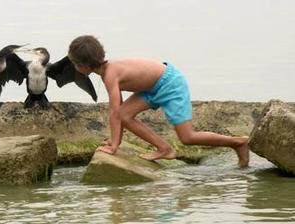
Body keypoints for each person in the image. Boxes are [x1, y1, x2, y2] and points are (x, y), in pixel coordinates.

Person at [68, 35, 249, 167]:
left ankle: (238, 142)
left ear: (82, 66)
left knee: (187, 137)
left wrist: (114, 146)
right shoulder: (108, 71)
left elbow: (114, 111)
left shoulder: (110, 75)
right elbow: (119, 112)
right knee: (125, 114)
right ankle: (164, 149)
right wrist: (115, 141)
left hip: (170, 84)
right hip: (152, 88)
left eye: (74, 64)